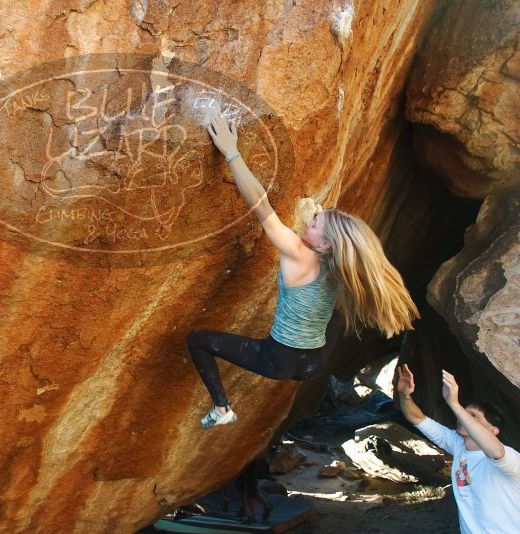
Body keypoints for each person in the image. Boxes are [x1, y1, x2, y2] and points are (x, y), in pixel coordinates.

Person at [188, 112, 420, 429]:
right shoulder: (341, 265)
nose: (308, 222)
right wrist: (323, 220)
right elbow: (332, 234)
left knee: (197, 340)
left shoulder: (298, 254)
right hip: (313, 361)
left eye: (313, 224)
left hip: (279, 359)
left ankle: (222, 408)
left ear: (325, 245)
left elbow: (260, 203)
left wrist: (231, 152)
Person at [396, 364, 520, 533]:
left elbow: (496, 453)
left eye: (473, 416)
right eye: (463, 413)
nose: (463, 418)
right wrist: (404, 395)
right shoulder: (458, 445)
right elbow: (416, 418)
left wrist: (454, 404)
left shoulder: (509, 459)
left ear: (494, 430)